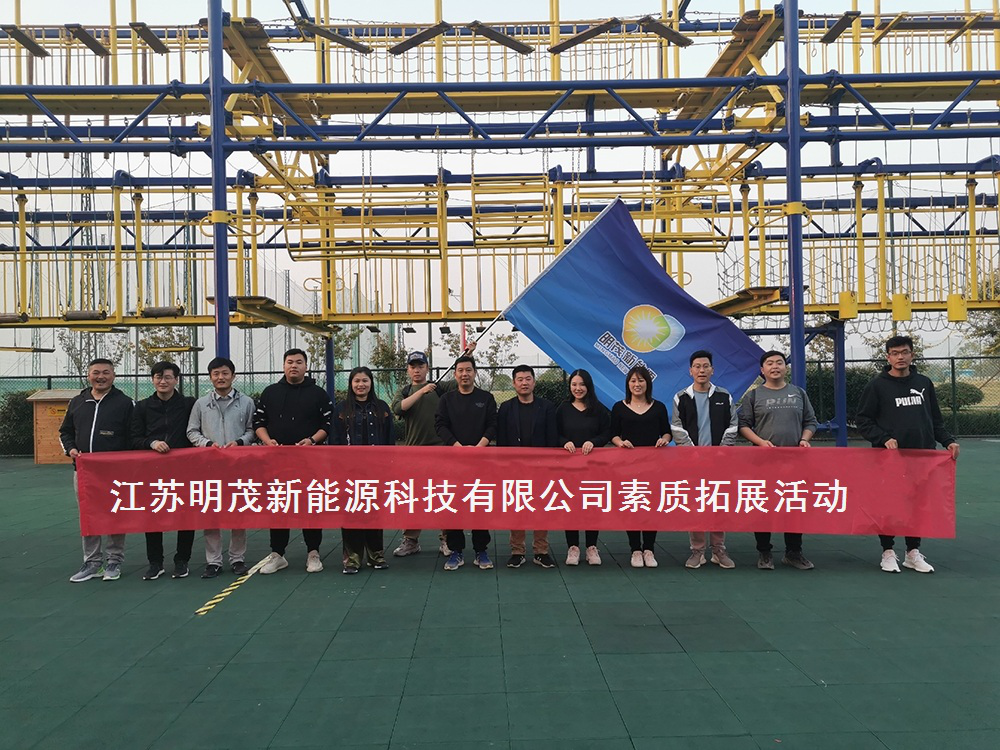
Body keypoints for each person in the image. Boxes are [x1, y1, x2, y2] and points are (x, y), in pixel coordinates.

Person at [855, 335, 960, 574]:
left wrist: (948, 441)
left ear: (912, 355)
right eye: (895, 353)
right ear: (888, 357)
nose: (900, 357)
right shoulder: (877, 385)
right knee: (889, 504)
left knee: (917, 505)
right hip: (889, 459)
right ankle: (887, 551)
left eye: (904, 352)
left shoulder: (924, 383)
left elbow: (935, 420)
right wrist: (883, 438)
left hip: (923, 457)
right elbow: (863, 420)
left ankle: (913, 552)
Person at [389, 342, 475, 558]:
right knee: (413, 498)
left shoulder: (439, 388)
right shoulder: (405, 391)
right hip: (413, 453)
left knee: (442, 496)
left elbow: (461, 378)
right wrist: (421, 391)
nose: (417, 370)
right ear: (408, 370)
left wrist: (469, 355)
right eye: (413, 367)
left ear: (427, 368)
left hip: (441, 452)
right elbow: (398, 408)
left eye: (421, 366)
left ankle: (446, 539)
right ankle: (411, 540)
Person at [253, 348, 334, 574]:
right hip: (276, 461)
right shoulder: (270, 392)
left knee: (310, 506)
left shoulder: (318, 394)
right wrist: (268, 441)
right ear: (283, 366)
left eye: (299, 362)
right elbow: (258, 422)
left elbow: (328, 425)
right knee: (279, 505)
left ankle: (313, 553)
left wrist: (312, 440)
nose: (294, 366)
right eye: (290, 362)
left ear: (306, 366)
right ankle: (277, 554)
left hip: (310, 461)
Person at [739, 350, 818, 571]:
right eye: (770, 363)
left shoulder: (798, 393)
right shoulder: (753, 396)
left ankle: (794, 552)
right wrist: (760, 442)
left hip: (794, 462)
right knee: (763, 506)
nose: (775, 367)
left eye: (779, 363)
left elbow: (811, 421)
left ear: (785, 367)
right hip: (763, 462)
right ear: (762, 370)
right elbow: (743, 425)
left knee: (793, 506)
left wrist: (804, 439)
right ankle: (764, 552)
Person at [59, 358, 135, 582]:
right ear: (88, 375)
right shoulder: (77, 402)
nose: (100, 377)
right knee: (89, 516)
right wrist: (71, 449)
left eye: (105, 372)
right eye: (96, 372)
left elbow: (133, 437)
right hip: (84, 472)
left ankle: (114, 561)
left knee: (115, 514)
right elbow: (65, 432)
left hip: (115, 473)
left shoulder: (125, 403)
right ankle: (92, 562)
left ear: (113, 376)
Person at [186, 356, 256, 578]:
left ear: (233, 376)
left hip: (239, 466)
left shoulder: (247, 402)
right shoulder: (201, 404)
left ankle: (237, 559)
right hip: (210, 467)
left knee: (238, 513)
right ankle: (213, 561)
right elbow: (191, 431)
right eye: (216, 374)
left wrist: (240, 442)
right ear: (210, 377)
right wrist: (207, 445)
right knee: (212, 515)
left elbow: (252, 430)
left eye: (225, 373)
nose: (220, 377)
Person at [671, 350, 738, 570]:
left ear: (712, 370)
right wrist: (694, 454)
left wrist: (721, 452)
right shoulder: (681, 397)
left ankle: (718, 550)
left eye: (705, 366)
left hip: (720, 462)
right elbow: (677, 428)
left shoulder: (724, 396)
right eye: (697, 366)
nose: (702, 370)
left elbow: (733, 426)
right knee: (696, 505)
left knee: (718, 504)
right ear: (690, 371)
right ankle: (697, 551)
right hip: (692, 463)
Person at [130, 361, 196, 580]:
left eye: (168, 377)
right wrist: (152, 443)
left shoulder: (189, 404)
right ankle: (155, 562)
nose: (163, 381)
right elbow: (134, 438)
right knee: (153, 515)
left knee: (186, 515)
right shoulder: (142, 407)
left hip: (184, 470)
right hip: (152, 470)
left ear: (176, 380)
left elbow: (196, 432)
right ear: (153, 380)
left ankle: (182, 560)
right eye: (158, 377)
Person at [435, 355, 498, 571]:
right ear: (455, 374)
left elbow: (493, 424)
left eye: (468, 370)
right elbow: (440, 425)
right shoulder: (446, 399)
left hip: (481, 461)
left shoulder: (486, 398)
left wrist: (479, 447)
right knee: (454, 505)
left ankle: (481, 551)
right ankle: (456, 551)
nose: (465, 374)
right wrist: (458, 447)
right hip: (453, 461)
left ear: (474, 372)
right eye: (460, 370)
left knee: (480, 504)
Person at [497, 364, 559, 569]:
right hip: (514, 469)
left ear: (534, 381)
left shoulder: (547, 407)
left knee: (541, 508)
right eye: (520, 379)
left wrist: (550, 466)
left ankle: (541, 551)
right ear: (514, 383)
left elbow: (552, 439)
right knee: (517, 508)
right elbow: (502, 440)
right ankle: (517, 551)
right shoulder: (506, 408)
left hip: (542, 469)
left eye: (528, 379)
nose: (524, 383)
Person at [333, 366, 393, 574]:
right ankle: (352, 558)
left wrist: (389, 466)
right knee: (351, 513)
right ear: (351, 384)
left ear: (371, 383)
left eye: (365, 381)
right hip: (350, 472)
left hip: (376, 471)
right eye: (357, 381)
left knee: (374, 512)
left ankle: (376, 555)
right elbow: (335, 441)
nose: (361, 385)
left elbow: (389, 440)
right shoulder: (341, 409)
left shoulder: (382, 407)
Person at [610, 365, 671, 568]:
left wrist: (664, 439)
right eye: (633, 381)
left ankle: (649, 549)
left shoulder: (659, 407)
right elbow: (613, 434)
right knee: (633, 505)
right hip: (627, 466)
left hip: (653, 466)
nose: (637, 384)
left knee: (651, 507)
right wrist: (620, 443)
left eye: (641, 380)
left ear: (648, 383)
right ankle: (635, 549)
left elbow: (667, 431)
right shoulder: (619, 407)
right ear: (628, 384)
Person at [556, 368, 611, 566]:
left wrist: (594, 442)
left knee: (591, 505)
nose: (577, 388)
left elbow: (607, 433)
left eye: (581, 384)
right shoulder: (562, 409)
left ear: (588, 386)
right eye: (574, 384)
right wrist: (564, 442)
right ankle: (573, 547)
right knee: (571, 505)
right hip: (568, 467)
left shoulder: (599, 409)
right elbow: (554, 432)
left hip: (593, 466)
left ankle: (591, 547)